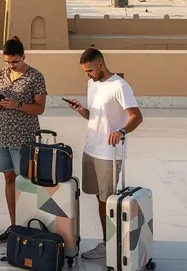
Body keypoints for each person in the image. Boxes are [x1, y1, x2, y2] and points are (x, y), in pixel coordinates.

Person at [66, 48, 144, 260]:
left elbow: (137, 117)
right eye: (85, 71)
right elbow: (94, 115)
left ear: (101, 65)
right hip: (90, 148)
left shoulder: (120, 86)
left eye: (89, 70)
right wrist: (81, 110)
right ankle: (108, 240)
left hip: (108, 154)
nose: (87, 75)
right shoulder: (92, 84)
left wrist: (121, 132)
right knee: (98, 198)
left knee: (107, 200)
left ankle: (109, 244)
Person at [0, 36, 48, 243]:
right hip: (2, 135)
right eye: (7, 62)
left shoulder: (35, 77)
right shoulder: (1, 74)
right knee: (9, 178)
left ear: (23, 56)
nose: (11, 65)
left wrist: (18, 105)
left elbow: (40, 108)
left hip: (24, 137)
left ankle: (27, 226)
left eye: (15, 61)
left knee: (26, 182)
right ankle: (14, 226)